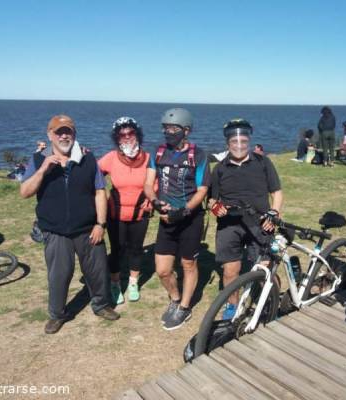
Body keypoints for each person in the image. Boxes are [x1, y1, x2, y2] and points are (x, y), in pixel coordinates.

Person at [20, 115, 119, 334]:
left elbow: (100, 191)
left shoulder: (88, 158)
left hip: (87, 228)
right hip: (55, 231)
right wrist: (44, 168)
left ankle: (101, 305)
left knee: (97, 270)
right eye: (59, 132)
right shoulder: (38, 159)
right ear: (50, 135)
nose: (64, 135)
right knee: (59, 275)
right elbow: (25, 192)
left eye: (69, 131)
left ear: (74, 134)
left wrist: (100, 224)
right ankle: (57, 314)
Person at [209, 118, 283, 319]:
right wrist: (216, 208)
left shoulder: (263, 162)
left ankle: (272, 302)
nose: (239, 146)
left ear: (249, 142)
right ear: (228, 144)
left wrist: (273, 214)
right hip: (229, 226)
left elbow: (276, 192)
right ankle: (232, 305)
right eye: (235, 142)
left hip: (260, 223)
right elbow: (211, 200)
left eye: (243, 141)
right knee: (230, 271)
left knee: (265, 268)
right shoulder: (220, 169)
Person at [144, 108, 210, 330]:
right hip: (165, 219)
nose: (168, 132)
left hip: (190, 218)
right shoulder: (157, 152)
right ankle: (174, 297)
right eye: (165, 128)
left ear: (187, 130)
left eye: (174, 128)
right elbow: (148, 183)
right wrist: (154, 202)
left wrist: (183, 211)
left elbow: (202, 190)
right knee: (162, 270)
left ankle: (184, 307)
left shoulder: (199, 155)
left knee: (188, 263)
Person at [98, 117, 151, 304]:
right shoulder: (111, 158)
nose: (127, 137)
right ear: (117, 138)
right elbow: (93, 175)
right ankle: (114, 283)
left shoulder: (148, 159)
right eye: (122, 135)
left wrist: (152, 200)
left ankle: (133, 282)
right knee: (117, 250)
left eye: (131, 133)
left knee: (136, 250)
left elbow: (156, 182)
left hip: (140, 214)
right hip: (116, 215)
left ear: (137, 134)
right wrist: (101, 196)